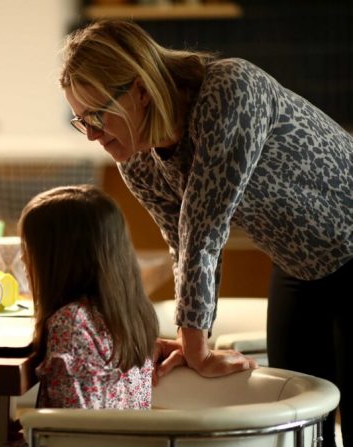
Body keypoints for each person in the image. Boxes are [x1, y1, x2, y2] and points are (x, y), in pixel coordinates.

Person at [59, 20, 351, 446]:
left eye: (98, 115)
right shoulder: (138, 159)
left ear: (140, 89)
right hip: (298, 264)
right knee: (299, 428)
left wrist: (194, 344)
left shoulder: (230, 90)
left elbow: (204, 228)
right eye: (80, 120)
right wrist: (192, 339)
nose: (91, 134)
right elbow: (181, 243)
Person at [19, 184, 161, 409]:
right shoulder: (133, 312)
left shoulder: (71, 324)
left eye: (28, 250)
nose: (23, 259)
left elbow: (66, 428)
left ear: (57, 261)